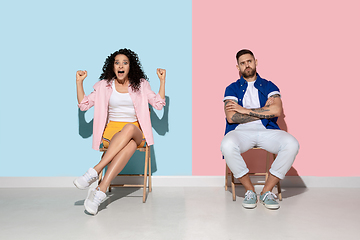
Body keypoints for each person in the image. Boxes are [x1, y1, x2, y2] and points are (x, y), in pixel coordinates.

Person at [74, 48, 166, 215]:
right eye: (117, 62)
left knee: (130, 128)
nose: (121, 65)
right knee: (129, 145)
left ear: (130, 66)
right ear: (112, 66)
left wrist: (162, 81)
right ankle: (100, 192)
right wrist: (79, 83)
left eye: (125, 62)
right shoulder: (104, 86)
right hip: (113, 131)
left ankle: (95, 170)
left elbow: (158, 104)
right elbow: (84, 105)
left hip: (136, 129)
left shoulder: (141, 85)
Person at [220, 49, 299, 210]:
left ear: (256, 61)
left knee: (292, 144)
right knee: (227, 145)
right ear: (238, 67)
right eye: (242, 63)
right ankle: (249, 190)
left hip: (268, 130)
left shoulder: (269, 85)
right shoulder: (232, 88)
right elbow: (231, 117)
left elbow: (276, 111)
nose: (246, 65)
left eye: (249, 61)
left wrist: (244, 110)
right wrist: (263, 111)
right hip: (241, 131)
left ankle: (266, 191)